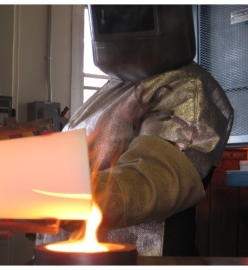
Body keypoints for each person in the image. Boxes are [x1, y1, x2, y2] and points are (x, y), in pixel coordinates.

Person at [35, 5, 233, 256]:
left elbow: (148, 183)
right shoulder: (115, 88)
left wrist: (50, 198)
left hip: (142, 259)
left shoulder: (186, 87)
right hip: (81, 254)